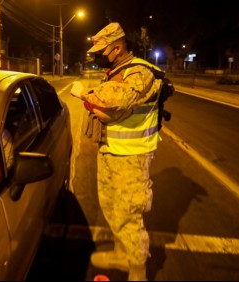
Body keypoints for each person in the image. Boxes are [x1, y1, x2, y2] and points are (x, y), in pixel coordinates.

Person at [76, 22, 163, 281]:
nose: (98, 56)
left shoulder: (141, 72)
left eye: (102, 50)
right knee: (111, 206)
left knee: (128, 213)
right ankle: (120, 253)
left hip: (132, 157)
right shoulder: (117, 70)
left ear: (117, 47)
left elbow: (114, 99)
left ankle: (137, 270)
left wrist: (84, 93)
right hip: (111, 150)